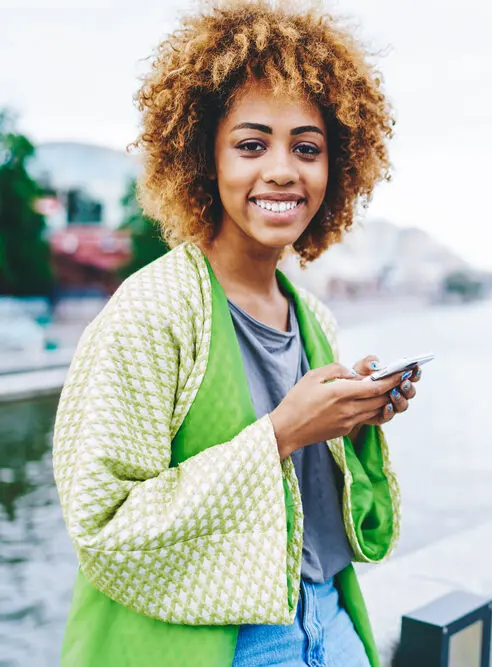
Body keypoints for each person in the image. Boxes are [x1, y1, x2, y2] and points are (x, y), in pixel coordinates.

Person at [52, 2, 416, 666]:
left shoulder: (316, 319)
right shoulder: (149, 313)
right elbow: (103, 527)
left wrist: (355, 420)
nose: (282, 170)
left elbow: (322, 514)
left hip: (331, 623)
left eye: (307, 148)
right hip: (216, 646)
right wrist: (285, 430)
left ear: (337, 167)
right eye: (252, 145)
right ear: (203, 157)